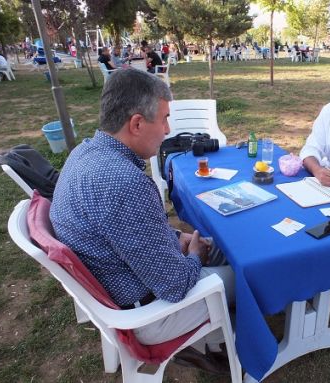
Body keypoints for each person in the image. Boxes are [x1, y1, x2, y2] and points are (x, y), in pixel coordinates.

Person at [50, 69, 234, 374]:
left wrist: (176, 237)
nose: (168, 129)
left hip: (120, 280)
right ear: (136, 123)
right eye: (163, 119)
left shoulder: (83, 152)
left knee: (225, 246)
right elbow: (175, 286)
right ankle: (221, 342)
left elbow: (121, 231)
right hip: (147, 314)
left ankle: (212, 339)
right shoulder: (125, 183)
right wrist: (194, 256)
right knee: (244, 273)